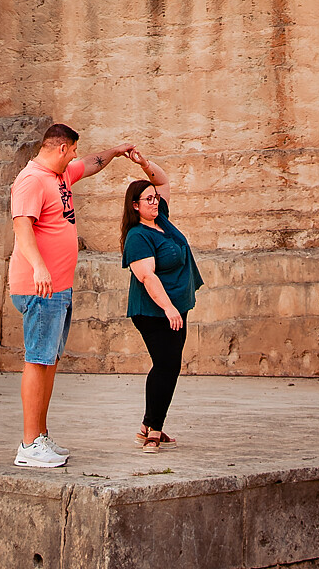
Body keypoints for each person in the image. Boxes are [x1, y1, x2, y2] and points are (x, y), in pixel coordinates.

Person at [9, 122, 133, 468]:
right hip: (40, 287)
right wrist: (39, 267)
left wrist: (116, 152)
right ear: (61, 148)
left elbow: (92, 163)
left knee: (49, 361)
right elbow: (22, 227)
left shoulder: (59, 176)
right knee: (37, 360)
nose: (76, 156)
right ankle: (29, 444)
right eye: (73, 150)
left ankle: (40, 436)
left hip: (58, 290)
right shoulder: (32, 180)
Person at [120, 148, 203, 450]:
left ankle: (149, 424)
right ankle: (153, 428)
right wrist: (168, 308)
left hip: (175, 308)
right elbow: (147, 276)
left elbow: (164, 181)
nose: (155, 202)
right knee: (165, 365)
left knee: (170, 365)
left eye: (155, 198)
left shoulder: (161, 220)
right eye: (148, 199)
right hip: (153, 311)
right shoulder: (138, 236)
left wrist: (144, 164)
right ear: (135, 206)